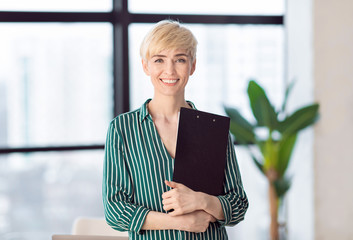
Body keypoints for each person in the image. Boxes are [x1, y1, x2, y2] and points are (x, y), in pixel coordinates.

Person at [102, 20, 248, 240]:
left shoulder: (213, 130)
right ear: (145, 66)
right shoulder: (123, 129)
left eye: (180, 60)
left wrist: (202, 201)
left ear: (193, 66)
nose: (169, 70)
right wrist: (179, 222)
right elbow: (115, 210)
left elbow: (238, 204)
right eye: (159, 60)